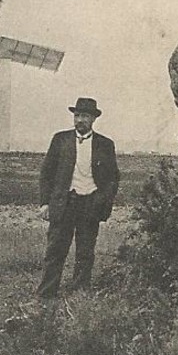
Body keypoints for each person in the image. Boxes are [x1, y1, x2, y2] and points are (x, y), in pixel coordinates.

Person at [37, 97, 120, 299]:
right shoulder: (60, 140)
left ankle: (79, 293)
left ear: (93, 119)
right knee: (56, 249)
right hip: (64, 203)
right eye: (77, 116)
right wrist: (44, 203)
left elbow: (113, 177)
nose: (79, 120)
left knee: (85, 252)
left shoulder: (105, 144)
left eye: (84, 116)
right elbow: (46, 173)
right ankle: (47, 294)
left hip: (90, 204)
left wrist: (103, 202)